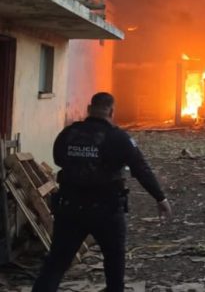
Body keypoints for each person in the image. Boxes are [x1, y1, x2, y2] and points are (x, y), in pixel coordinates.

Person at [33, 93, 172, 292]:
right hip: (106, 210)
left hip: (70, 208)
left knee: (56, 263)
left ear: (89, 109)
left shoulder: (68, 134)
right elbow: (141, 169)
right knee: (114, 263)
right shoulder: (118, 138)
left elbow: (58, 159)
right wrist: (160, 198)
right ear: (112, 112)